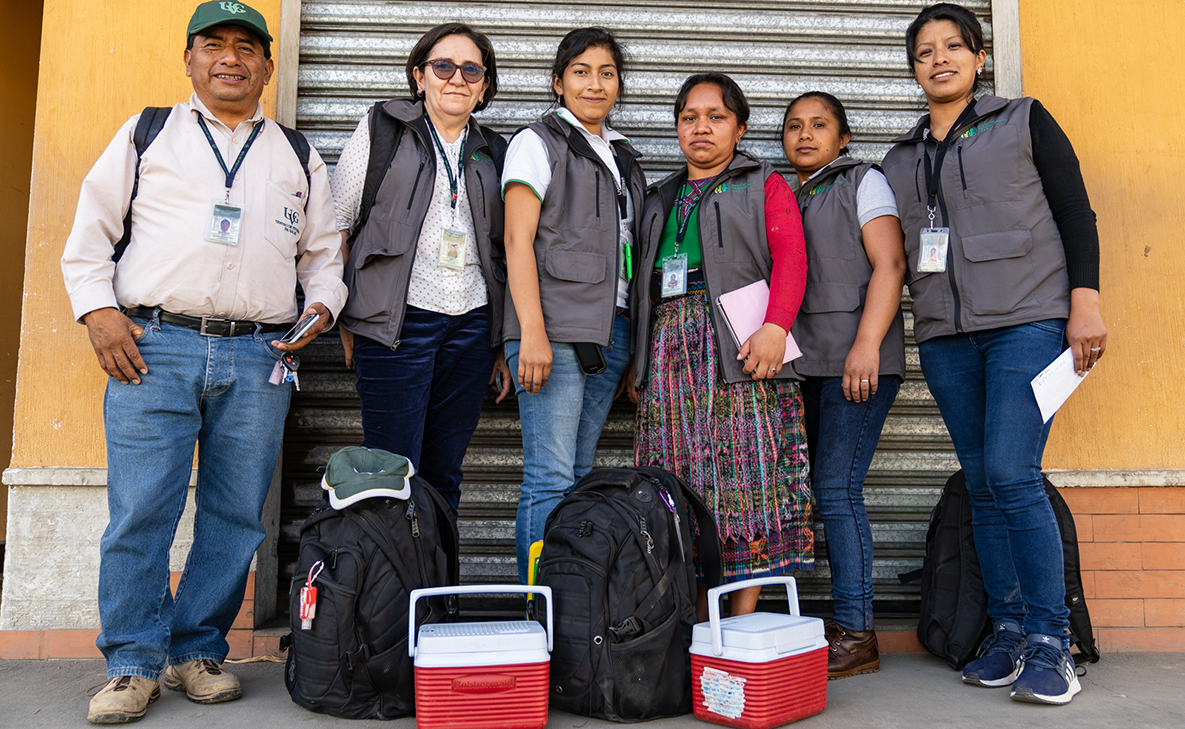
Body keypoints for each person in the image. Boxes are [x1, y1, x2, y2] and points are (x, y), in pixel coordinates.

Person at [60, 2, 346, 723]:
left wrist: (322, 307)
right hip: (152, 346)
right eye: (213, 45)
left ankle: (197, 650)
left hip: (259, 353)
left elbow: (324, 256)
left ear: (267, 67)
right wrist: (98, 312)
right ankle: (130, 662)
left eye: (247, 47)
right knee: (140, 512)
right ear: (189, 59)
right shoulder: (146, 132)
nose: (230, 58)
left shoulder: (295, 152)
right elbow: (90, 231)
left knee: (233, 514)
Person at [882, 2, 1106, 705]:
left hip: (1029, 321)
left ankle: (1051, 638)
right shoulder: (899, 157)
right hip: (947, 333)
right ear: (912, 68)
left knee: (1012, 472)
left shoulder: (1022, 118)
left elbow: (1074, 210)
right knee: (981, 481)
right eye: (924, 50)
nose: (938, 58)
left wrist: (1085, 300)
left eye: (953, 46)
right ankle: (1007, 629)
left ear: (979, 58)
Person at [631, 73, 811, 619]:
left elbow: (792, 259)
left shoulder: (764, 184)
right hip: (669, 351)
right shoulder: (660, 196)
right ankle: (683, 617)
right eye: (690, 117)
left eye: (716, 117)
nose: (701, 128)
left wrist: (776, 328)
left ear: (740, 128)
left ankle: (740, 619)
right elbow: (640, 282)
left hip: (741, 347)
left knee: (747, 475)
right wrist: (638, 363)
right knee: (675, 476)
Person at [332, 22, 510, 517]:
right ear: (419, 76)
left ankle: (435, 596)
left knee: (444, 476)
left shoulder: (495, 152)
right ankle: (393, 594)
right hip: (397, 325)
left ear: (485, 85)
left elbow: (505, 253)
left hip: (471, 328)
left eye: (472, 69)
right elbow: (336, 226)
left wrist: (499, 341)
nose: (457, 78)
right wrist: (347, 315)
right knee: (390, 472)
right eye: (443, 66)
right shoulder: (383, 130)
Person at [501, 27, 646, 582]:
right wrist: (531, 331)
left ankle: (572, 601)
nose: (595, 83)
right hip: (555, 332)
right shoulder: (537, 143)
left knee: (580, 475)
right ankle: (541, 606)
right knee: (550, 475)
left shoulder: (621, 155)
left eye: (606, 73)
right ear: (559, 82)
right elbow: (518, 240)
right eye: (581, 71)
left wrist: (634, 343)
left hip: (610, 333)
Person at [782, 91, 907, 678]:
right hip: (804, 365)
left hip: (855, 365)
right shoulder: (785, 192)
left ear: (844, 136)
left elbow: (890, 263)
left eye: (820, 125)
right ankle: (830, 623)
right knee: (809, 493)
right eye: (794, 127)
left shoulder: (863, 181)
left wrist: (866, 347)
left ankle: (858, 633)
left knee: (836, 490)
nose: (806, 135)